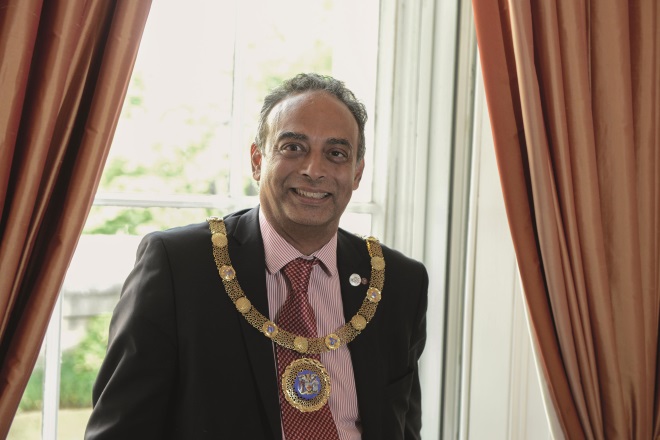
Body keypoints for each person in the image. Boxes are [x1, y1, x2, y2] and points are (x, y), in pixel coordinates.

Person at [85, 73, 428, 440]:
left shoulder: (398, 283)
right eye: (293, 147)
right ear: (257, 160)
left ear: (356, 173)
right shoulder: (178, 268)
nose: (314, 170)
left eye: (336, 154)